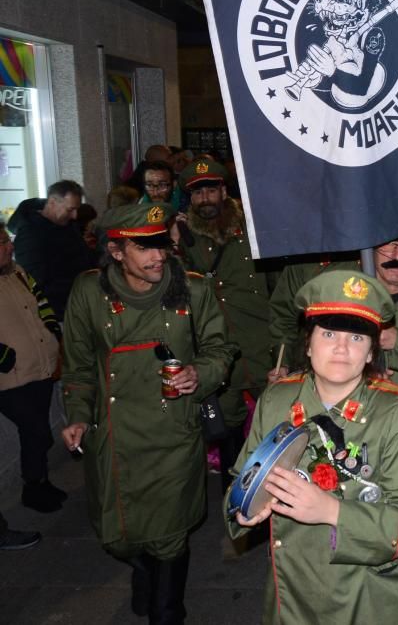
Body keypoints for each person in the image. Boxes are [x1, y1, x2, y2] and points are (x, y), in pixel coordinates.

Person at [268, 235, 398, 623]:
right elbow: (315, 354)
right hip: (347, 456)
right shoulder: (341, 290)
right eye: (387, 247)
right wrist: (289, 377)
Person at [60, 203, 236, 622]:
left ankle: (168, 608)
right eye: (145, 249)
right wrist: (78, 415)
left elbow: (220, 349)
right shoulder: (89, 291)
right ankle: (144, 572)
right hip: (115, 435)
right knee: (119, 537)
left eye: (161, 245)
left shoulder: (192, 288)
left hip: (173, 432)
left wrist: (201, 373)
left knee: (171, 535)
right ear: (117, 252)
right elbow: (80, 365)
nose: (159, 256)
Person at [227, 270, 398, 623]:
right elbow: (240, 480)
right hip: (292, 600)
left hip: (369, 597)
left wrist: (332, 512)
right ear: (307, 344)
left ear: (371, 352)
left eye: (356, 337)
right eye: (328, 334)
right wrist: (244, 510)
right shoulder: (278, 400)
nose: (341, 348)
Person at [176, 159, 271, 491]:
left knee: (278, 414)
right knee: (226, 424)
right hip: (217, 348)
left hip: (263, 340)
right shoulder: (182, 236)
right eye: (197, 192)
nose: (205, 199)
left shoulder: (254, 226)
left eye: (211, 189)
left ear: (224, 191)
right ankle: (233, 490)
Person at [0, 220, 66, 513]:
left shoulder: (18, 272)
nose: (10, 246)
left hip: (39, 366)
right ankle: (32, 486)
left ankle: (40, 483)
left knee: (35, 432)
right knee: (37, 430)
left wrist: (51, 326)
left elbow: (42, 302)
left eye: (8, 241)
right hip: (9, 378)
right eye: (3, 243)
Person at [8, 180, 96, 319]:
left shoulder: (67, 224)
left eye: (77, 209)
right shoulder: (31, 234)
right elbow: (35, 282)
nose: (75, 215)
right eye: (70, 209)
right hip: (59, 313)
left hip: (79, 306)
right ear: (52, 202)